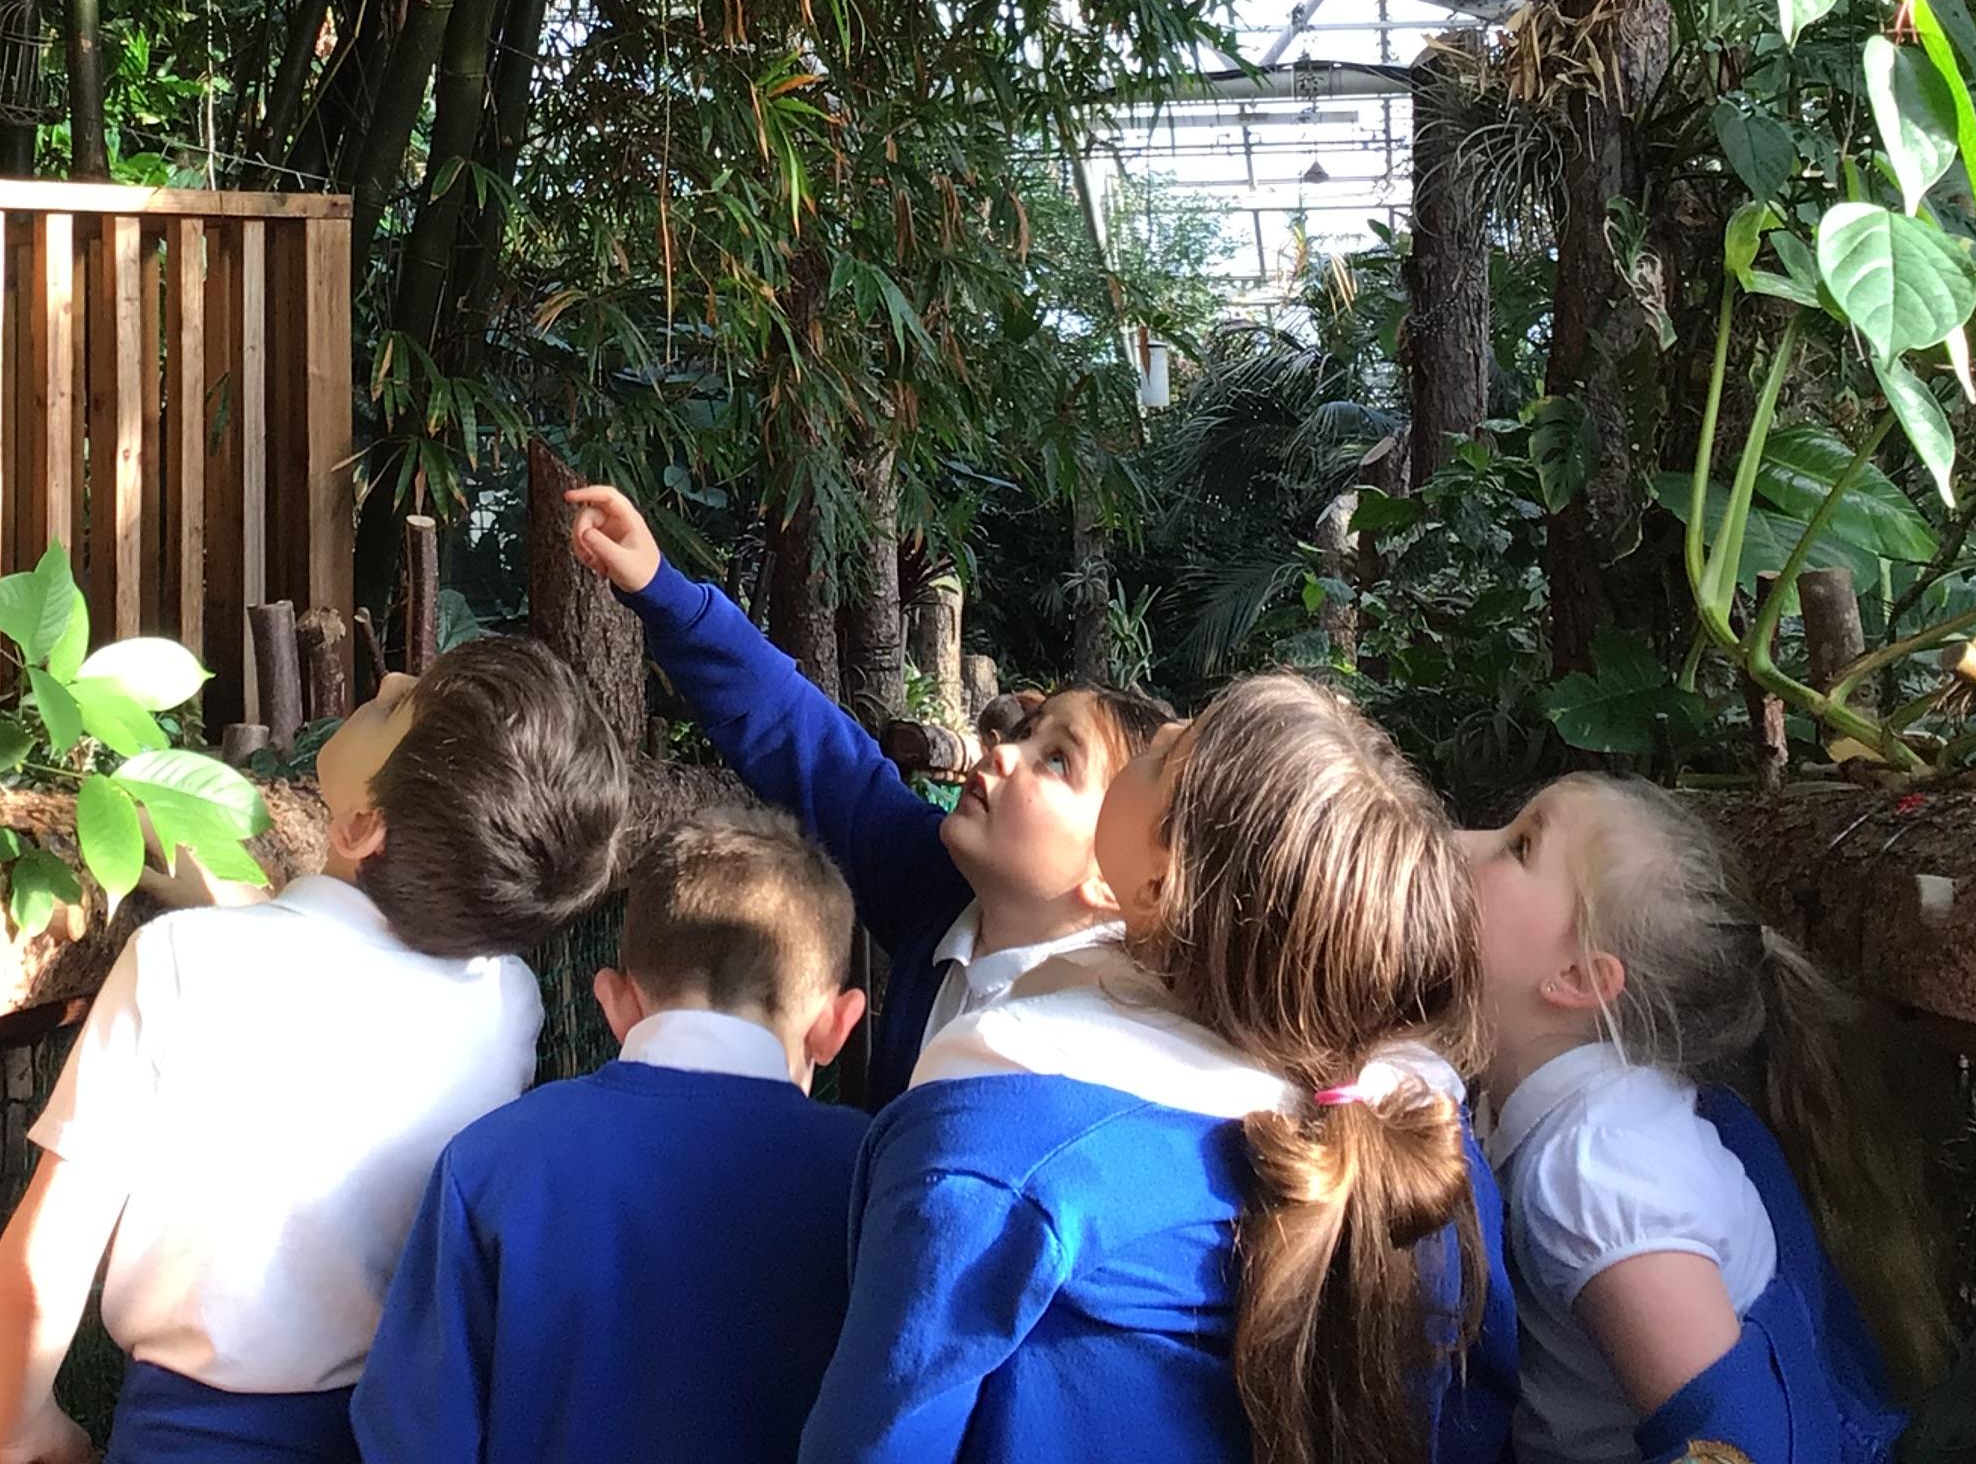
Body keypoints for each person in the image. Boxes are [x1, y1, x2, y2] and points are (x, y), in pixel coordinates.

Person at [802, 672, 1509, 1464]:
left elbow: (875, 1438)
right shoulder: (1426, 1159)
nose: (1165, 728)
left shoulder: (999, 1141)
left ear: (1158, 886)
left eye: (1173, 754)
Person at [0, 640, 633, 1464]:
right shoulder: (507, 1003)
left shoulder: (180, 962)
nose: (391, 677)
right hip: (392, 1435)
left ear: (361, 828)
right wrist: (240, 907)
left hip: (186, 1438)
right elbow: (337, 1002)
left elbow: (52, 1251)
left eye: (397, 708)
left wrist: (22, 1426)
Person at [565, 483, 1166, 1106]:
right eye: (1026, 733)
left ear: (1116, 880)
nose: (1005, 753)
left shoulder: (1119, 1053)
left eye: (1059, 760)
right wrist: (663, 590)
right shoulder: (941, 898)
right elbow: (809, 744)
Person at [352, 810, 873, 1463]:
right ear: (836, 1023)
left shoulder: (491, 1159)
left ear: (614, 1000)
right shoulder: (877, 1177)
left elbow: (413, 1433)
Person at [1461, 774, 1940, 1464]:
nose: (1461, 842)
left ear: (1582, 978)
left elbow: (1736, 1448)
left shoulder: (1602, 1175)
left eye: (1521, 845)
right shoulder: (1587, 1127)